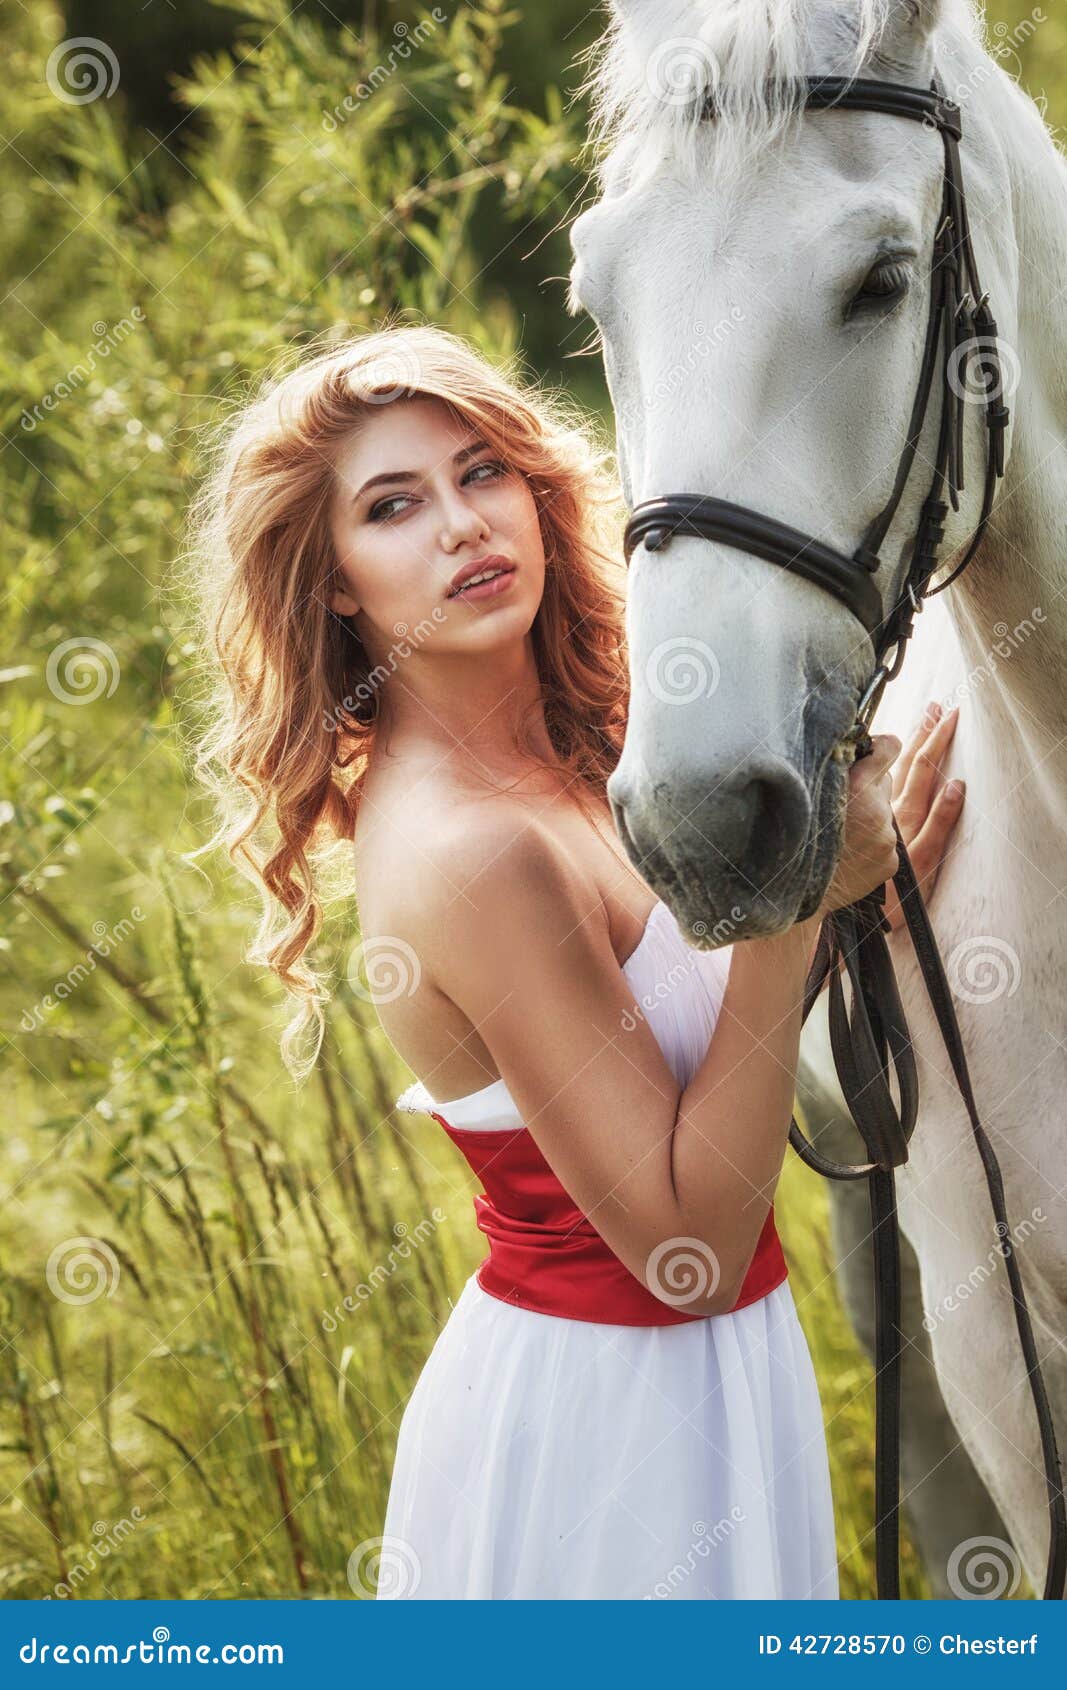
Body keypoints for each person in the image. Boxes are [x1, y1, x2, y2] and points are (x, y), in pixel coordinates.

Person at [185, 322, 965, 1600]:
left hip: (712, 1389)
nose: (460, 525)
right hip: (610, 1438)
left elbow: (696, 1061)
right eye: (393, 506)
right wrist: (790, 908)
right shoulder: (472, 848)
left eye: (482, 472)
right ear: (333, 582)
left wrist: (845, 914)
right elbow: (687, 1252)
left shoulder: (580, 750)